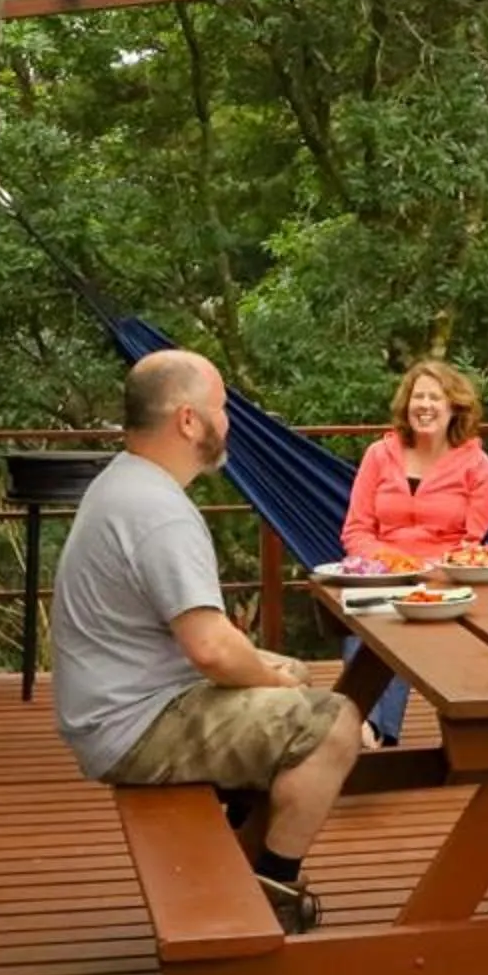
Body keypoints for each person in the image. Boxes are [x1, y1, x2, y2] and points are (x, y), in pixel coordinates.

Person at [51, 349, 359, 933]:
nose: (230, 423)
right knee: (336, 724)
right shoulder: (159, 512)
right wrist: (270, 679)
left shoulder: (123, 481)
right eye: (222, 408)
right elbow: (211, 650)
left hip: (115, 705)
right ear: (188, 420)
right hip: (134, 726)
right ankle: (275, 886)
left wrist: (275, 671)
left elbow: (199, 640)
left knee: (294, 675)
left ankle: (242, 826)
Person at [339, 359, 488, 743]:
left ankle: (371, 729)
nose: (424, 405)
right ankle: (368, 727)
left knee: (403, 618)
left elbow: (476, 543)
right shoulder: (380, 455)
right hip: (383, 572)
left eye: (435, 397)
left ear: (453, 407)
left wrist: (433, 571)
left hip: (444, 579)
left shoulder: (475, 464)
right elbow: (356, 530)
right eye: (418, 396)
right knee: (366, 618)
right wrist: (395, 565)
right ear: (406, 404)